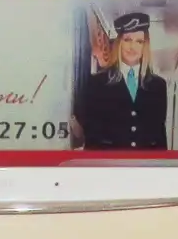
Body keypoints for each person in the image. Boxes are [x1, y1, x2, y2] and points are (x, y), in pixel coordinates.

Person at [72, 11, 170, 150]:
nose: (132, 47)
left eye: (139, 41)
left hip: (144, 162)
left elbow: (159, 134)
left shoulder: (158, 86)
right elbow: (90, 132)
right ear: (119, 43)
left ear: (145, 46)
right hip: (109, 160)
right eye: (127, 40)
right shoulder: (97, 83)